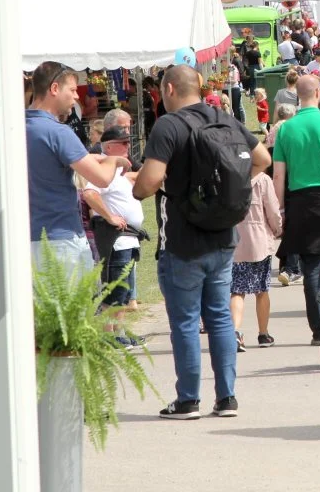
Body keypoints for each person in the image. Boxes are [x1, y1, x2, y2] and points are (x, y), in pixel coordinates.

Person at [132, 64, 271, 419]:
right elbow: (262, 159)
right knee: (221, 318)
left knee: (185, 321)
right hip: (223, 236)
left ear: (168, 90)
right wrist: (228, 193)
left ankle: (188, 398)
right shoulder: (224, 118)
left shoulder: (168, 125)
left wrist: (150, 188)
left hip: (182, 239)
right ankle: (227, 398)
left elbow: (147, 183)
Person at [26, 62, 131, 276]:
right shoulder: (58, 132)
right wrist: (112, 161)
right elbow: (102, 179)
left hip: (26, 239)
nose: (76, 97)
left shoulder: (16, 127)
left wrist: (93, 158)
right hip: (61, 240)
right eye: (72, 90)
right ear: (54, 89)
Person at [272, 76, 320, 346]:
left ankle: (318, 328)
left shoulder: (286, 129)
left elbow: (278, 175)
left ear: (297, 96)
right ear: (318, 93)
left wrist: (279, 208)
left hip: (301, 202)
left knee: (311, 268)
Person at [80, 125, 144, 348]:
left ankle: (118, 332)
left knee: (123, 289)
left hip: (128, 238)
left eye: (128, 142)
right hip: (116, 239)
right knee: (114, 289)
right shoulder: (104, 170)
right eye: (123, 143)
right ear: (109, 147)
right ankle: (109, 336)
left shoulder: (117, 171)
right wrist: (110, 217)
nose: (128, 146)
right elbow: (89, 193)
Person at [231, 171, 282, 352]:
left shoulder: (229, 174)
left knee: (237, 291)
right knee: (262, 290)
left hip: (234, 241)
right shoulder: (262, 180)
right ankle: (263, 333)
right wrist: (277, 229)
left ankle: (234, 333)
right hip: (259, 240)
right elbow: (273, 210)